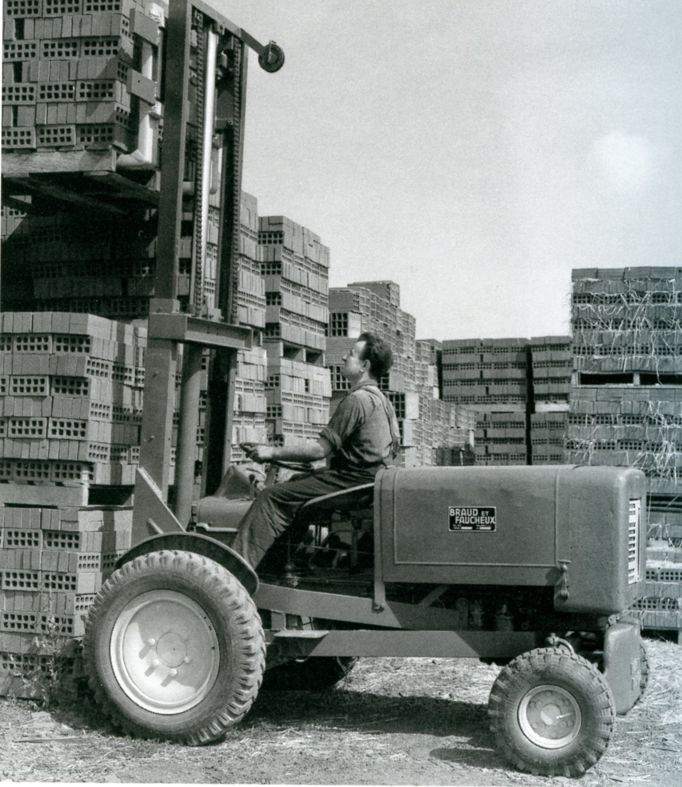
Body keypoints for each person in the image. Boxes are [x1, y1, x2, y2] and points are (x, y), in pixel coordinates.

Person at [231, 332, 401, 570]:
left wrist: (270, 452)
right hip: (368, 481)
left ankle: (236, 570)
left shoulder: (357, 400)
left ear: (365, 365)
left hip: (353, 483)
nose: (343, 357)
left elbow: (318, 449)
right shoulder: (382, 401)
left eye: (351, 354)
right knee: (298, 482)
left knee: (272, 496)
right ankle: (282, 563)